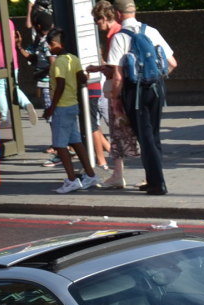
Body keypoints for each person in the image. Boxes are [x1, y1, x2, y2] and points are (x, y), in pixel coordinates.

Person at [107, 0, 177, 195]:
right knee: (153, 135)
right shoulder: (151, 31)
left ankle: (158, 184)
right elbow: (172, 63)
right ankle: (152, 179)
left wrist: (114, 98)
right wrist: (155, 79)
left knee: (144, 137)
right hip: (156, 88)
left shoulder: (120, 37)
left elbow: (118, 76)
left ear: (117, 14)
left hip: (134, 91)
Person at [44, 28, 100, 193]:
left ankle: (71, 179)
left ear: (55, 44)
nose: (49, 49)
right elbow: (82, 78)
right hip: (73, 105)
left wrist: (50, 108)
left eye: (49, 45)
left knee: (60, 145)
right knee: (76, 142)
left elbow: (60, 85)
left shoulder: (59, 62)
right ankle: (90, 175)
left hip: (61, 107)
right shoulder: (73, 58)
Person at [86, 1, 130, 187]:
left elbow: (115, 70)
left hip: (118, 91)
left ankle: (118, 175)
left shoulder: (115, 35)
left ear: (104, 18)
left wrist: (98, 69)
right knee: (131, 134)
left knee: (119, 133)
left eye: (97, 20)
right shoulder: (124, 31)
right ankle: (137, 173)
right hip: (130, 89)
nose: (97, 24)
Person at [0, 7, 38, 126]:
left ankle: (4, 117)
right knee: (14, 87)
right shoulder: (9, 23)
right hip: (12, 60)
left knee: (0, 89)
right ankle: (27, 104)